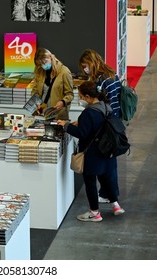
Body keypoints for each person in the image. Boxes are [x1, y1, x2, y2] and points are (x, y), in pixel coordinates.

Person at [57, 81, 125, 222]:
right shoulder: (106, 106)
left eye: (81, 96)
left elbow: (83, 133)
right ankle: (116, 205)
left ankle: (94, 213)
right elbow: (97, 126)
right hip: (107, 151)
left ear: (88, 96)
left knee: (90, 182)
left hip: (93, 154)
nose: (80, 99)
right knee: (106, 179)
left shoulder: (89, 112)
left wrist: (66, 126)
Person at [78, 49, 122, 202]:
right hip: (115, 120)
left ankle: (108, 194)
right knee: (110, 159)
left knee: (106, 160)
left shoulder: (101, 80)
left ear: (91, 62)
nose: (84, 69)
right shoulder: (111, 72)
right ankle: (110, 194)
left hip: (106, 123)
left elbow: (101, 102)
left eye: (85, 66)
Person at [31, 48, 74, 120]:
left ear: (50, 57)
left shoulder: (64, 72)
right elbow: (35, 90)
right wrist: (37, 103)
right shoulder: (40, 71)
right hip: (42, 113)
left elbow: (70, 94)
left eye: (44, 62)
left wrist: (63, 102)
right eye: (40, 64)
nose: (43, 65)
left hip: (57, 114)